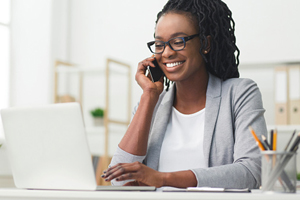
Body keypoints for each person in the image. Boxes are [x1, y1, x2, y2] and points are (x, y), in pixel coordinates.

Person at [101, 0, 267, 189]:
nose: (167, 53)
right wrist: (149, 96)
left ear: (205, 43)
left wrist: (163, 179)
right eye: (159, 44)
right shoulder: (151, 104)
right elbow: (117, 180)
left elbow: (252, 171)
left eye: (178, 42)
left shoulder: (240, 94)